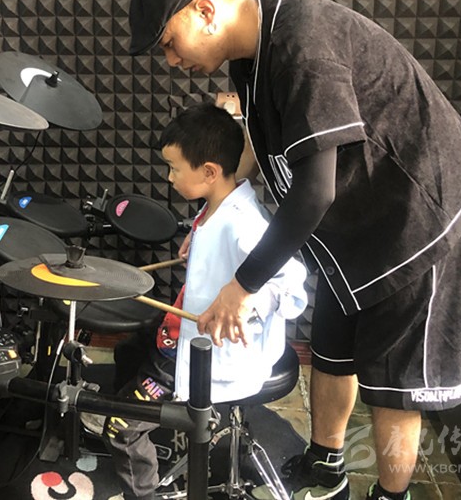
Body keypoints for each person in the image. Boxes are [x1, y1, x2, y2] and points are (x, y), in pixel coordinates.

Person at [128, 0, 461, 500]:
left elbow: (314, 193)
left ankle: (390, 496)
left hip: (418, 222)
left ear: (204, 12)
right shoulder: (251, 58)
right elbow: (255, 153)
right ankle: (327, 466)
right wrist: (209, 219)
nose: (173, 60)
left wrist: (241, 287)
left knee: (393, 386)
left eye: (168, 43)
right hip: (357, 227)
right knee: (331, 349)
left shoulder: (302, 46)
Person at [103, 102, 308, 500]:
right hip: (178, 336)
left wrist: (248, 304)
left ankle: (142, 492)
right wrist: (197, 238)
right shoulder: (217, 206)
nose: (170, 177)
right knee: (128, 351)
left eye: (175, 168)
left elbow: (293, 286)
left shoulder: (242, 224)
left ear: (210, 172)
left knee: (121, 429)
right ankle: (153, 419)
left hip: (202, 354)